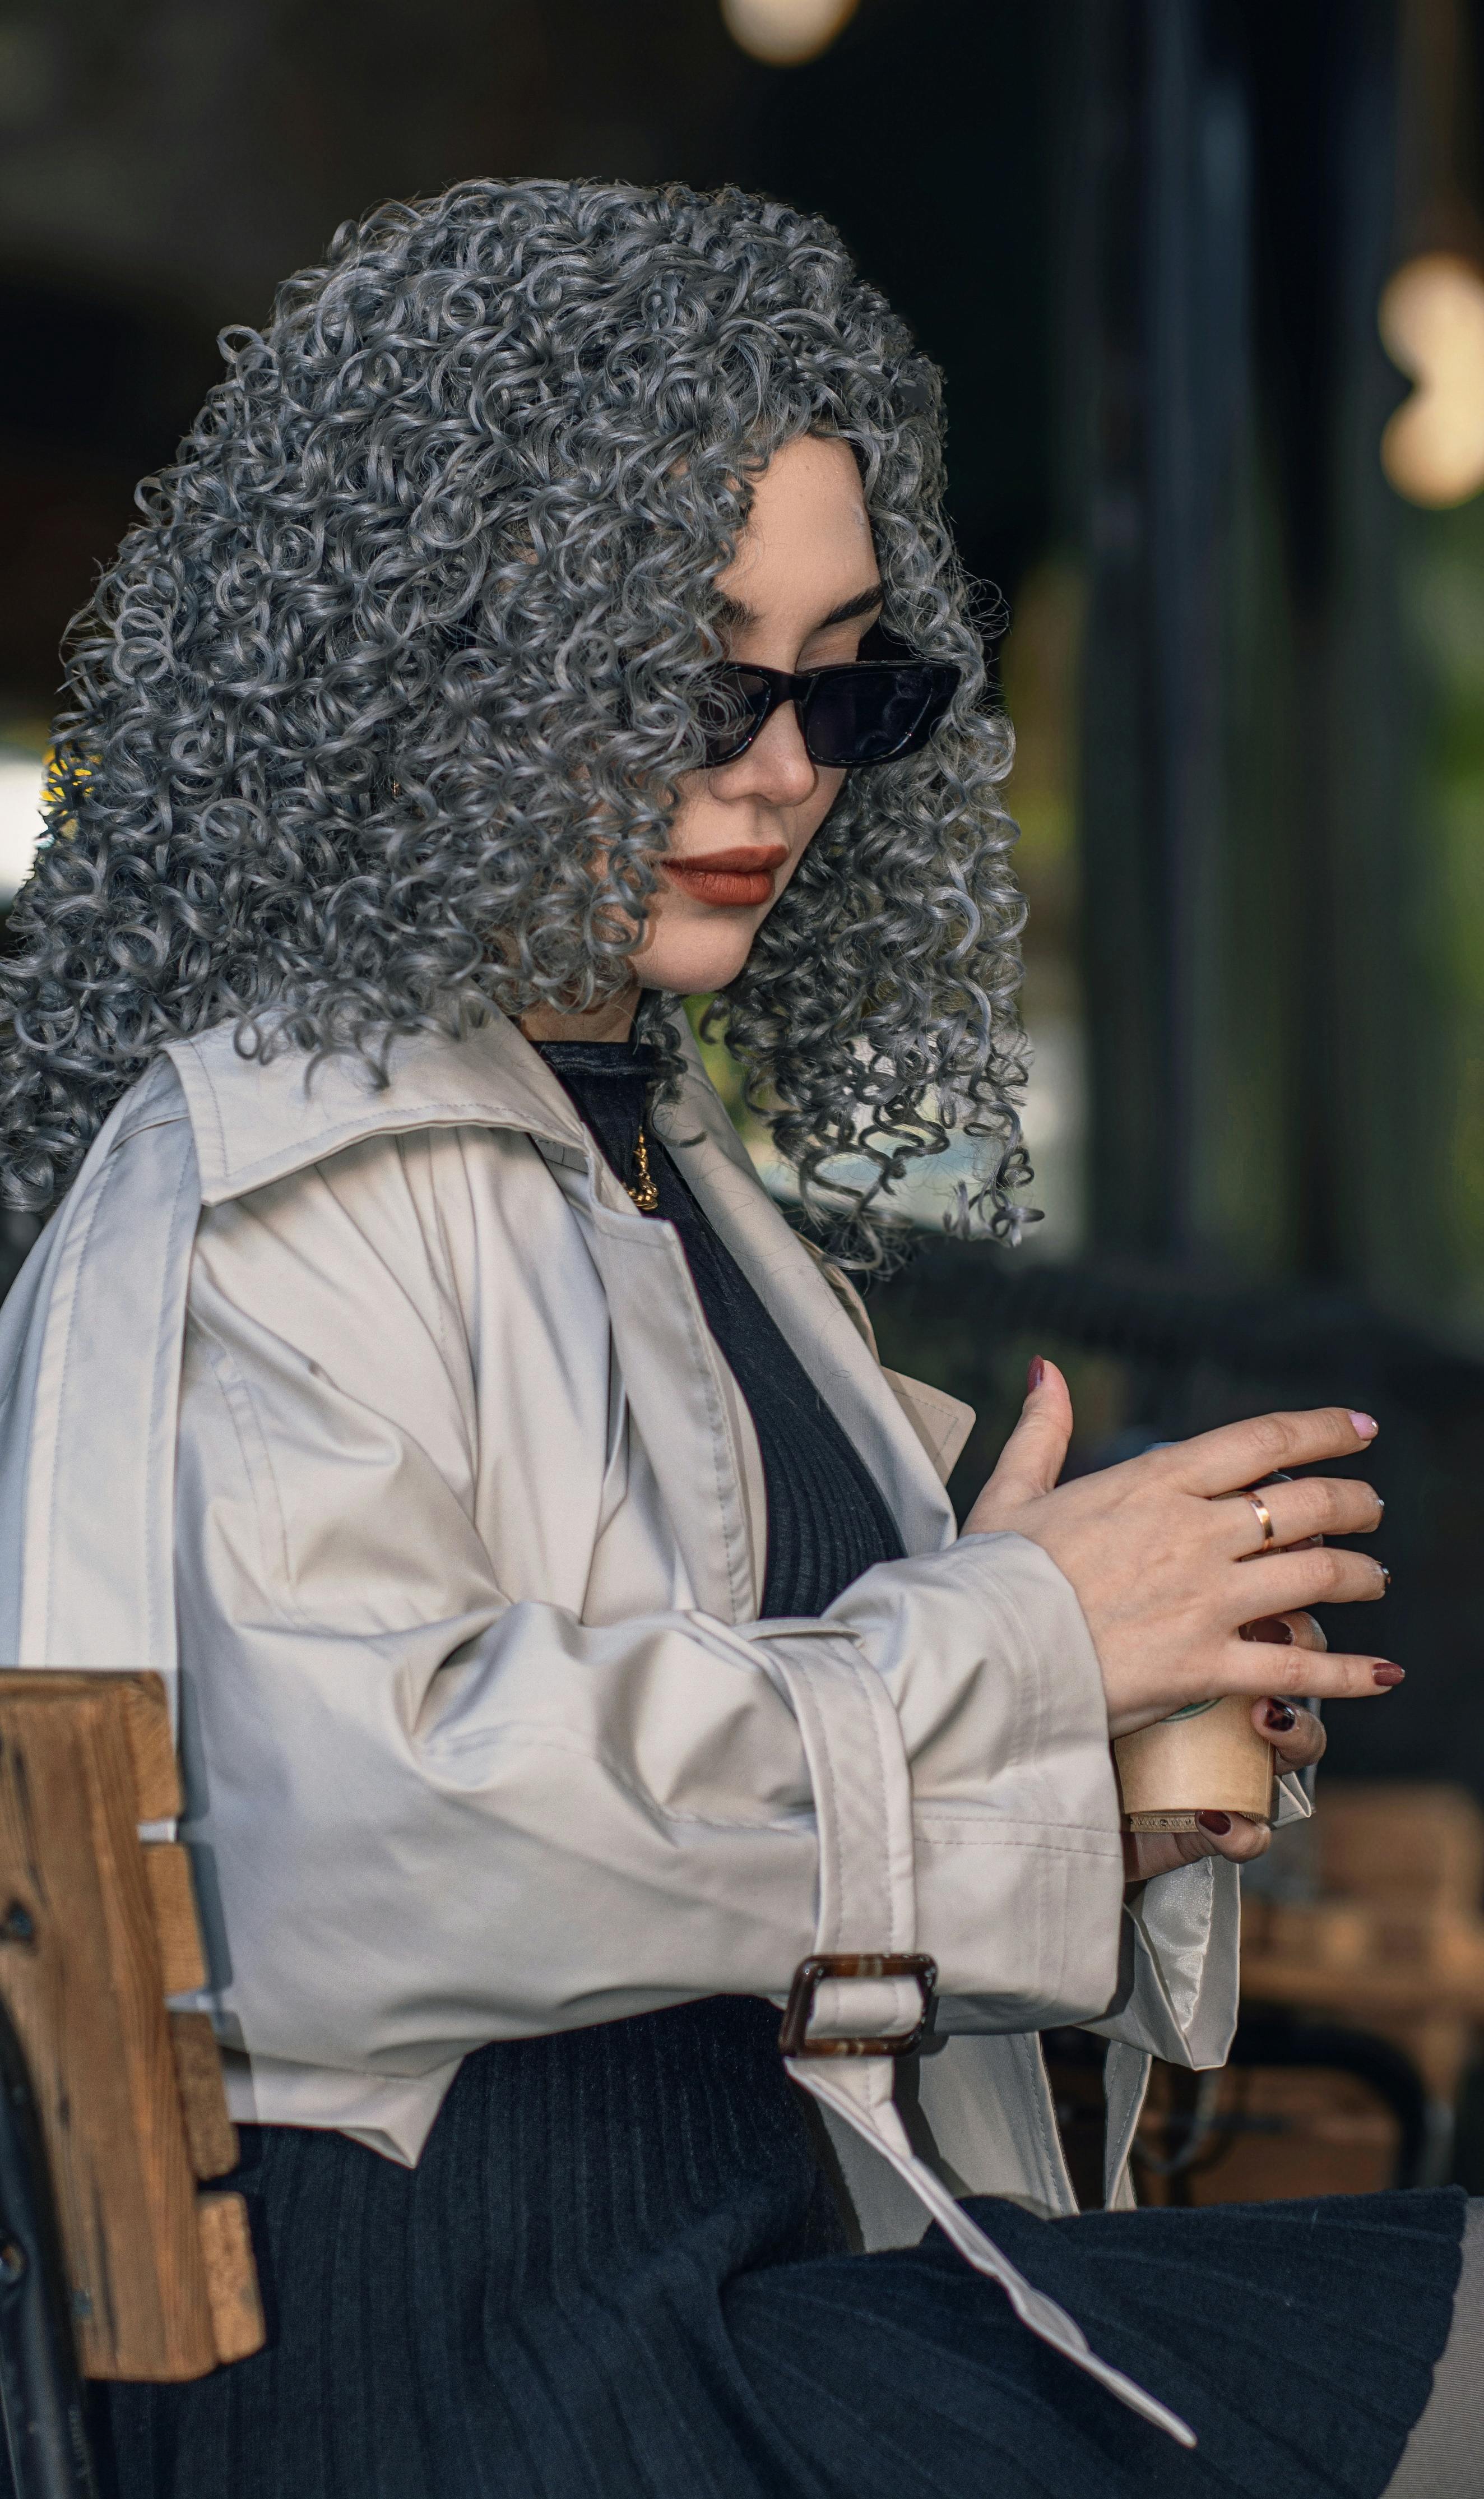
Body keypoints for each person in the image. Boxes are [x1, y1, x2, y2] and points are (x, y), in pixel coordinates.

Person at [0, 178, 1466, 2499]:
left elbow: (765, 1868)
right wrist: (1002, 1645)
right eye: (691, 677)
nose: (780, 765)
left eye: (847, 679)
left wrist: (1107, 1724)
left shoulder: (656, 1168)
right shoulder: (279, 1167)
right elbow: (350, 1856)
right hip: (465, 2374)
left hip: (727, 2303)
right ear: (442, 657)